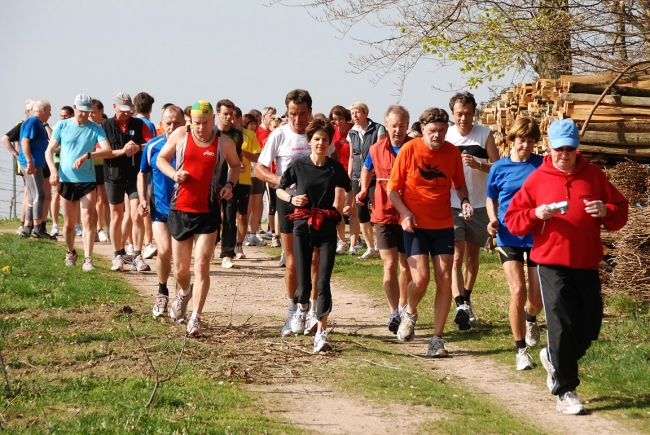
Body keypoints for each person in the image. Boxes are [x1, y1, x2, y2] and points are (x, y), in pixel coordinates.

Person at [505, 119, 628, 415]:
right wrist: (536, 213)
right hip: (550, 263)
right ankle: (566, 390)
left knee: (589, 326)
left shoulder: (594, 176)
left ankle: (553, 357)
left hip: (586, 262)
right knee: (561, 325)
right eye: (559, 148)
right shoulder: (537, 179)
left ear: (577, 148)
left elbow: (620, 212)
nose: (564, 154)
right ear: (549, 146)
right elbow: (514, 220)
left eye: (570, 149)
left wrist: (606, 210)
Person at [386, 107, 473, 357]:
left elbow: (459, 184)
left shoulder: (452, 152)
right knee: (421, 279)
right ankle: (410, 312)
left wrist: (465, 200)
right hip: (414, 225)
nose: (438, 135)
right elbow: (393, 190)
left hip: (443, 224)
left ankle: (437, 338)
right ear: (422, 128)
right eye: (433, 130)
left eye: (443, 131)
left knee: (445, 279)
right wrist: (405, 213)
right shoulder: (409, 150)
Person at [255, 89, 337, 337]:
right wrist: (281, 181)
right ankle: (293, 309)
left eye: (303, 114)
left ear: (310, 112)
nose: (298, 120)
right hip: (289, 203)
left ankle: (312, 310)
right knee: (292, 260)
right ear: (287, 113)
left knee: (315, 259)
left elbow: (333, 168)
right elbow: (259, 169)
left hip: (317, 205)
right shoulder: (279, 135)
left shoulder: (319, 136)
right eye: (293, 114)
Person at [157, 100, 241, 336]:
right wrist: (174, 174)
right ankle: (184, 292)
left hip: (208, 211)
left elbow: (236, 166)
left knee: (202, 265)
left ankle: (196, 317)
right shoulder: (180, 136)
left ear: (213, 119)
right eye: (196, 123)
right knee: (182, 271)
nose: (201, 127)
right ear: (189, 120)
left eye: (205, 123)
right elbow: (161, 159)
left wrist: (229, 184)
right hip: (180, 209)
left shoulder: (223, 142)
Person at [276, 118, 353, 352]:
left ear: (330, 143)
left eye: (325, 140)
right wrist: (291, 199)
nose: (321, 143)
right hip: (302, 227)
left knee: (324, 281)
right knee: (304, 280)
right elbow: (279, 188)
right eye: (317, 139)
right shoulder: (299, 166)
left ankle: (321, 332)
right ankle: (300, 310)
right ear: (309, 141)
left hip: (327, 226)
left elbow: (349, 189)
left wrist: (347, 207)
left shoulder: (335, 168)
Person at [486, 117, 544, 370]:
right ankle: (521, 350)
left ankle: (531, 318)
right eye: (522, 140)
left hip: (536, 236)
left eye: (531, 141)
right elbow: (491, 198)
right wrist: (492, 220)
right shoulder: (498, 168)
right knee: (518, 291)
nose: (526, 146)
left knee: (536, 298)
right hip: (508, 235)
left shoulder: (542, 165)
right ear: (512, 139)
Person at [357, 105, 413, 335]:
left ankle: (403, 306)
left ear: (407, 126)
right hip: (383, 211)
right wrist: (362, 188)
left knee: (406, 266)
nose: (397, 129)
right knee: (389, 264)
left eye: (401, 125)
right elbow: (365, 169)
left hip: (409, 212)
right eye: (393, 125)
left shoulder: (415, 147)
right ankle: (393, 312)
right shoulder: (375, 148)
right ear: (386, 126)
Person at [446, 91, 500, 329]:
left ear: (473, 113)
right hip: (452, 204)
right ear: (452, 114)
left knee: (472, 257)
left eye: (468, 114)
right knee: (456, 257)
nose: (464, 118)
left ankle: (466, 299)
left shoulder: (484, 134)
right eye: (459, 114)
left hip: (479, 204)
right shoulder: (446, 136)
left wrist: (479, 164)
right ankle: (459, 305)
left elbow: (498, 167)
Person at [45, 94, 112, 270]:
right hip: (66, 180)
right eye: (81, 111)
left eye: (87, 111)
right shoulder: (62, 125)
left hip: (87, 180)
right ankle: (71, 252)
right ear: (75, 108)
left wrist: (89, 155)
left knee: (88, 219)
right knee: (68, 225)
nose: (84, 114)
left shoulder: (96, 129)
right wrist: (53, 171)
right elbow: (49, 151)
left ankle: (88, 259)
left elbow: (107, 150)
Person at [137, 105, 185, 317]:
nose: (172, 127)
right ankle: (162, 292)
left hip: (186, 211)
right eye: (168, 123)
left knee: (182, 263)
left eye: (176, 123)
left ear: (184, 124)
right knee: (164, 252)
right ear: (161, 124)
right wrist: (142, 199)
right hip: (160, 209)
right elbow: (142, 173)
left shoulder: (192, 146)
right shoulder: (152, 146)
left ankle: (179, 301)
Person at [101, 92, 154, 272]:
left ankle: (137, 255)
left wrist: (138, 147)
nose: (126, 113)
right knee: (116, 217)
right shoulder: (105, 125)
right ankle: (117, 255)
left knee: (137, 214)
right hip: (113, 176)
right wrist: (123, 151)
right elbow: (102, 151)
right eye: (123, 110)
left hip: (135, 176)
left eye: (129, 110)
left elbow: (152, 145)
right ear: (114, 107)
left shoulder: (139, 124)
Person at [348, 102, 386, 260]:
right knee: (361, 210)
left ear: (365, 113)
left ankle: (380, 243)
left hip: (376, 175)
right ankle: (370, 247)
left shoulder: (378, 128)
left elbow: (381, 152)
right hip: (358, 175)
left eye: (357, 112)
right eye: (352, 113)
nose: (354, 116)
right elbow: (352, 156)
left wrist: (374, 172)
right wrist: (350, 175)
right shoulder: (352, 132)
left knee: (377, 209)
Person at [18, 99, 56, 240]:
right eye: (50, 110)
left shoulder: (36, 122)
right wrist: (29, 161)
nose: (51, 114)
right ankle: (38, 229)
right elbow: (25, 141)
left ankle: (27, 227)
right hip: (32, 163)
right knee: (39, 195)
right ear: (43, 110)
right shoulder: (32, 121)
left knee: (33, 196)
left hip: (36, 162)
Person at [215, 99, 244, 268]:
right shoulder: (212, 133)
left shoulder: (237, 134)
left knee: (230, 215)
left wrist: (239, 164)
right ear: (218, 114)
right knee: (212, 216)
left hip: (230, 180)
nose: (228, 117)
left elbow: (238, 154)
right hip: (212, 180)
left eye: (231, 114)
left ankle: (227, 254)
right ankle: (210, 244)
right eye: (225, 114)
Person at [1, 99, 34, 236]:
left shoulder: (31, 124)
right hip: (25, 163)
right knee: (28, 193)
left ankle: (27, 223)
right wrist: (16, 154)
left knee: (29, 193)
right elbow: (5, 139)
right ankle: (23, 223)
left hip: (29, 162)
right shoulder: (22, 124)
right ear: (28, 111)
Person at [133, 92, 158, 260]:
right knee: (145, 208)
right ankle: (148, 243)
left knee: (132, 212)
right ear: (150, 107)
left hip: (129, 169)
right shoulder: (148, 124)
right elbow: (152, 145)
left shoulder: (130, 122)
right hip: (144, 171)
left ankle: (131, 244)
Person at [329, 105, 355, 255]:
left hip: (353, 172)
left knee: (353, 210)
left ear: (346, 118)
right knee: (337, 207)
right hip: (338, 173)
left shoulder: (354, 130)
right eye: (334, 119)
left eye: (340, 118)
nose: (338, 122)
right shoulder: (332, 133)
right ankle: (342, 241)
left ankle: (354, 242)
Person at [49, 105, 75, 236]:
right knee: (57, 194)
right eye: (61, 116)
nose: (62, 118)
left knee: (75, 196)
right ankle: (54, 224)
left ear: (71, 115)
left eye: (65, 116)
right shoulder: (57, 127)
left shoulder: (75, 127)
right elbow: (53, 148)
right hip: (59, 163)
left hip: (73, 165)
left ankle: (75, 224)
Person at [90, 99, 110, 243]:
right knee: (92, 201)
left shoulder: (106, 126)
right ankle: (96, 230)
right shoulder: (86, 127)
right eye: (88, 111)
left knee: (105, 200)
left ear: (100, 111)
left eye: (93, 112)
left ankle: (108, 230)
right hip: (90, 167)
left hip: (105, 165)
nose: (90, 115)